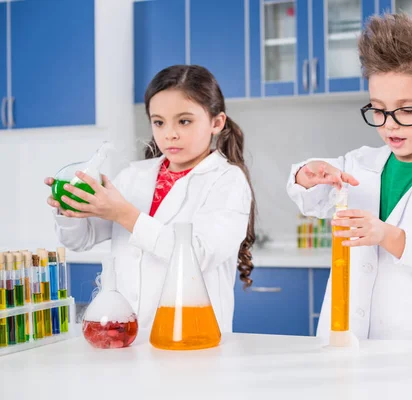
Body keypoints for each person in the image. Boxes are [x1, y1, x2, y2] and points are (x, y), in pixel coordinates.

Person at [287, 13, 412, 340]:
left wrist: (386, 234)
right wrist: (310, 176)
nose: (389, 124)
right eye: (378, 109)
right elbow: (313, 199)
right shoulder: (359, 164)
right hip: (345, 335)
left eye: (407, 110)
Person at [45, 65, 256, 330]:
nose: (170, 133)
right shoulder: (134, 175)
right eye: (159, 122)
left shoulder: (227, 180)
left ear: (217, 122)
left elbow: (198, 256)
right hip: (128, 334)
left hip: (191, 335)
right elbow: (79, 239)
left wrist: (124, 213)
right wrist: (69, 208)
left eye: (184, 121)